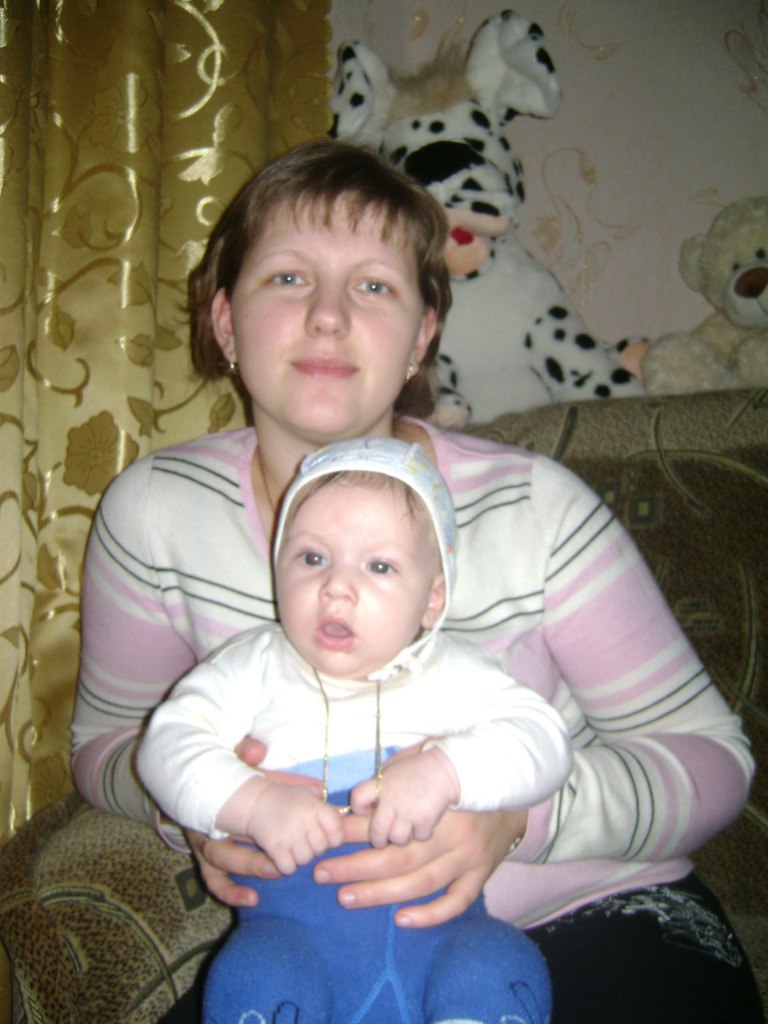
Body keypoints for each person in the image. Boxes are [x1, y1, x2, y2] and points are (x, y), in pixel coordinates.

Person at [71, 139, 763, 1024]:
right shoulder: (154, 513)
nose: (328, 316)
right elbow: (105, 746)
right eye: (288, 278)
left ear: (422, 335)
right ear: (226, 321)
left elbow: (714, 759)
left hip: (592, 909)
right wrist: (203, 804)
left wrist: (519, 818)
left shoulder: (535, 508)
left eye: (373, 286)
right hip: (318, 945)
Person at [138, 436, 573, 1024]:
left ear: (433, 598)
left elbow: (544, 738)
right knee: (252, 977)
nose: (337, 587)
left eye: (379, 566)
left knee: (498, 964)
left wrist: (447, 772)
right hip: (295, 940)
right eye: (312, 558)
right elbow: (165, 743)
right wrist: (251, 801)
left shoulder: (455, 670)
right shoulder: (253, 666)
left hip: (443, 939)